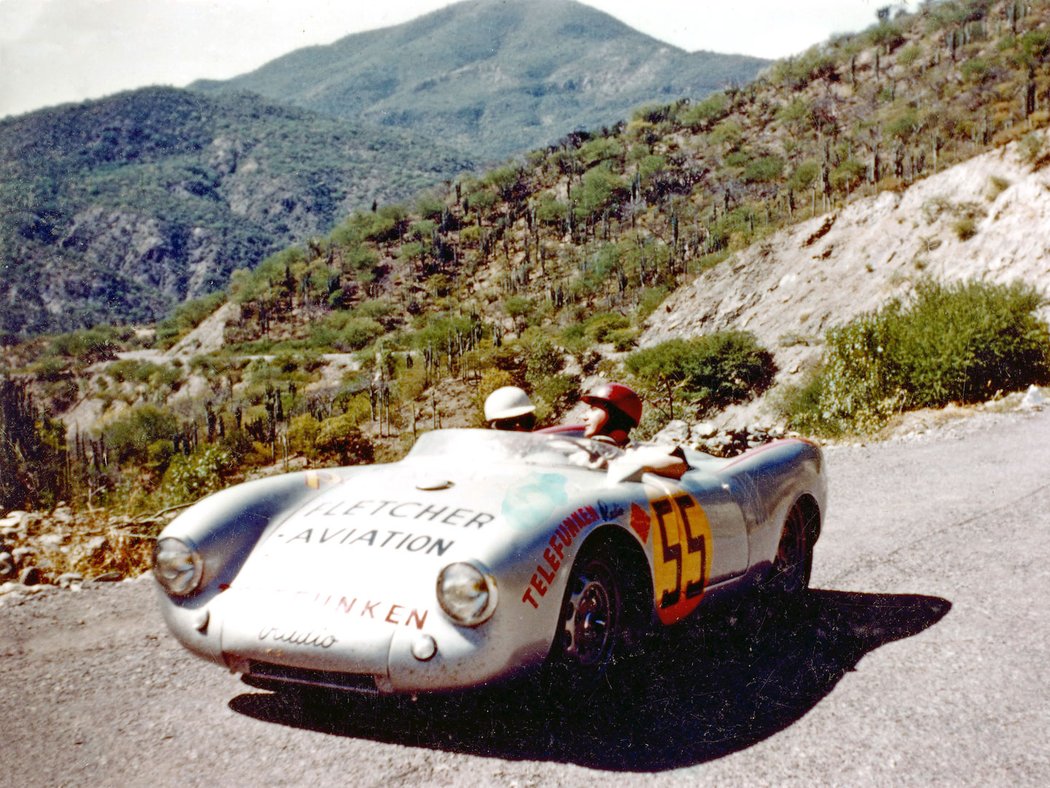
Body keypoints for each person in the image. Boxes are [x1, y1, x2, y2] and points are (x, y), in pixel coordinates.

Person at [578, 382, 688, 479]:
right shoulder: (580, 452)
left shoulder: (637, 452)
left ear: (616, 415)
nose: (584, 417)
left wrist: (617, 463)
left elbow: (678, 465)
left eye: (594, 409)